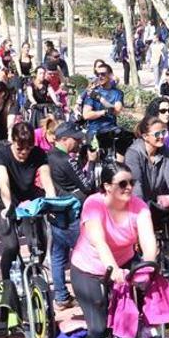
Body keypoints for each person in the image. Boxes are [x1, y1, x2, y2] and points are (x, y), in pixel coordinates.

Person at [71, 163, 158, 338]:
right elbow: (99, 242)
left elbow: (148, 241)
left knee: (130, 324)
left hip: (124, 265)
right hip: (90, 269)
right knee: (97, 329)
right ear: (107, 187)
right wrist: (114, 271)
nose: (129, 187)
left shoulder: (138, 207)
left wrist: (149, 265)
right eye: (122, 183)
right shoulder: (94, 204)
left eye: (131, 182)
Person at [0, 122, 56, 279]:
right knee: (12, 246)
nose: (24, 152)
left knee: (38, 243)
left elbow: (47, 180)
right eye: (20, 148)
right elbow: (3, 183)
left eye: (28, 148)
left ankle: (35, 275)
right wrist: (8, 205)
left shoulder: (39, 154)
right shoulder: (1, 155)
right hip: (3, 203)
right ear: (12, 141)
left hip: (27, 202)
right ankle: (7, 287)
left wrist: (52, 204)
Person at [47, 122, 97, 310]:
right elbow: (88, 186)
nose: (78, 143)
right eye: (75, 140)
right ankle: (87, 297)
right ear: (64, 139)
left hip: (55, 211)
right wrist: (91, 162)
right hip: (72, 215)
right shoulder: (66, 160)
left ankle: (61, 296)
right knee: (83, 255)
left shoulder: (48, 157)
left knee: (58, 256)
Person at [125, 114, 169, 202]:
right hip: (137, 203)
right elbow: (136, 184)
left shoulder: (165, 151)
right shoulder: (133, 154)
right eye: (157, 134)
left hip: (157, 201)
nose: (162, 137)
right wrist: (142, 208)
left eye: (164, 132)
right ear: (145, 136)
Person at [82, 63, 133, 159]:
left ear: (110, 75)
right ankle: (91, 171)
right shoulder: (92, 93)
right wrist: (104, 112)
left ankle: (119, 167)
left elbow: (117, 111)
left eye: (103, 74)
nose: (100, 76)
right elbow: (86, 115)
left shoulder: (117, 93)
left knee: (127, 137)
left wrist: (101, 100)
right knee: (92, 158)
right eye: (98, 74)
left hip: (111, 128)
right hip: (94, 129)